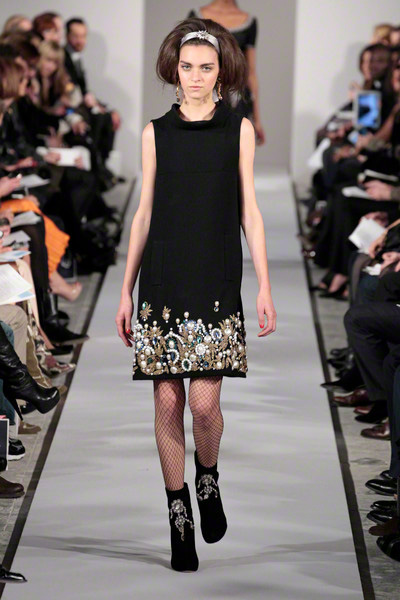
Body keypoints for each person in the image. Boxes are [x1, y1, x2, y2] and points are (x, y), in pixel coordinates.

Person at [115, 17, 276, 572]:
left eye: (206, 68)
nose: (196, 77)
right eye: (187, 67)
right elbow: (143, 214)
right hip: (163, 278)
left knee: (205, 407)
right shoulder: (155, 132)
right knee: (167, 402)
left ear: (221, 72)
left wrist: (264, 284)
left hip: (214, 277)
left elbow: (250, 211)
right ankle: (177, 511)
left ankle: (207, 476)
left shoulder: (239, 129)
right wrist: (125, 290)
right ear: (174, 70)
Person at [188, 1, 265, 144]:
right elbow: (189, 63)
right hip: (205, 95)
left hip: (237, 99)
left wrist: (257, 119)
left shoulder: (249, 22)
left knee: (235, 150)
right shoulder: (196, 17)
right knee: (203, 147)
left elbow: (251, 72)